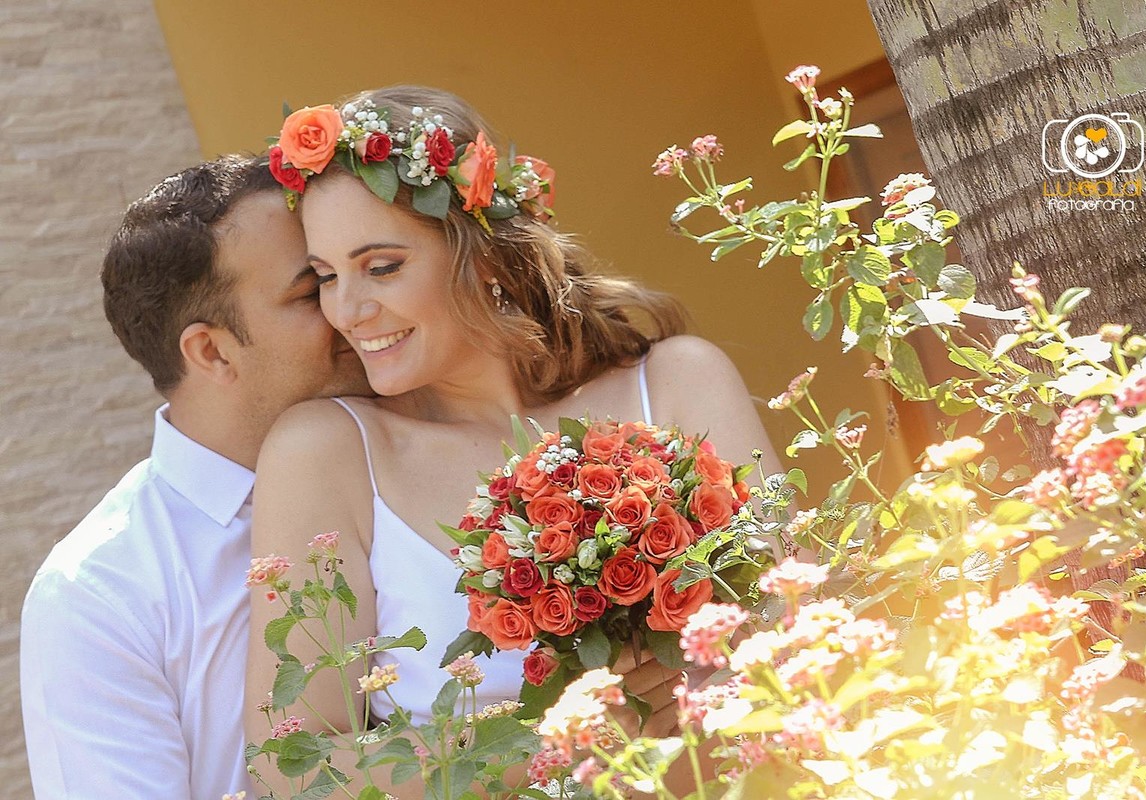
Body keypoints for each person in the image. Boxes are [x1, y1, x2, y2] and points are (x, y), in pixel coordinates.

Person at [245, 85, 785, 792]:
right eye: (325, 277)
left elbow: (801, 624)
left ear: (486, 256)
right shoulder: (327, 452)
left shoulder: (681, 384)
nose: (348, 309)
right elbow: (291, 765)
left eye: (381, 267)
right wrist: (553, 740)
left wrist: (696, 686)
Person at [20, 156, 370, 799]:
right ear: (212, 351)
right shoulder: (100, 593)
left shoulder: (419, 447)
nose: (353, 308)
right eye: (312, 288)